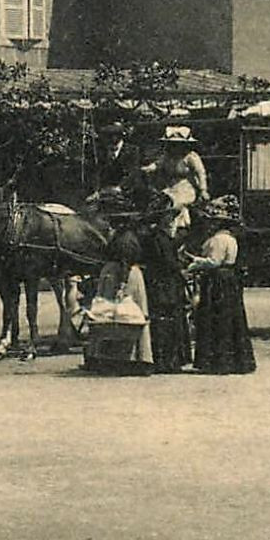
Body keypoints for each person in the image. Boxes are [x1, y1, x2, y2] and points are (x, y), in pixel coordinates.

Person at [186, 196, 256, 374]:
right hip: (229, 279)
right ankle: (234, 360)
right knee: (230, 318)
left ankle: (216, 361)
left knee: (215, 318)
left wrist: (195, 263)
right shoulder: (231, 239)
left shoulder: (217, 240)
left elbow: (214, 261)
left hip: (217, 280)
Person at [82, 225, 152, 376]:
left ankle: (104, 356)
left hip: (111, 277)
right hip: (132, 279)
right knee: (135, 314)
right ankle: (139, 357)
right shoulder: (135, 268)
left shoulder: (111, 261)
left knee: (107, 313)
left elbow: (101, 297)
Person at [137, 213, 192, 374]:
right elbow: (167, 262)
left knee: (163, 320)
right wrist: (182, 269)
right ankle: (167, 360)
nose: (171, 223)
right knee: (167, 320)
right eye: (168, 219)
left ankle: (165, 358)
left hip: (160, 283)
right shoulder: (160, 239)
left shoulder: (157, 237)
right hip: (165, 285)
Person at [141, 126, 209, 236]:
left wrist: (203, 190)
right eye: (173, 144)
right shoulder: (167, 156)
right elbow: (158, 164)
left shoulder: (190, 157)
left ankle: (179, 228)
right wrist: (149, 168)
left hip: (186, 187)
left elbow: (200, 173)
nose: (175, 147)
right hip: (171, 187)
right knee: (163, 200)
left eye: (178, 144)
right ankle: (165, 229)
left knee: (175, 203)